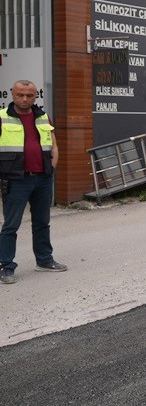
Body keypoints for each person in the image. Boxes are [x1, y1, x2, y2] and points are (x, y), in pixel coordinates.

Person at [0, 80, 65, 284]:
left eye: (30, 95)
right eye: (20, 94)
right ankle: (6, 267)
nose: (25, 99)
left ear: (36, 95)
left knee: (42, 222)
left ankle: (44, 260)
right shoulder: (2, 117)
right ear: (12, 94)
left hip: (43, 178)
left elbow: (53, 144)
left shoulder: (42, 116)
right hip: (15, 179)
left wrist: (52, 168)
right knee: (11, 225)